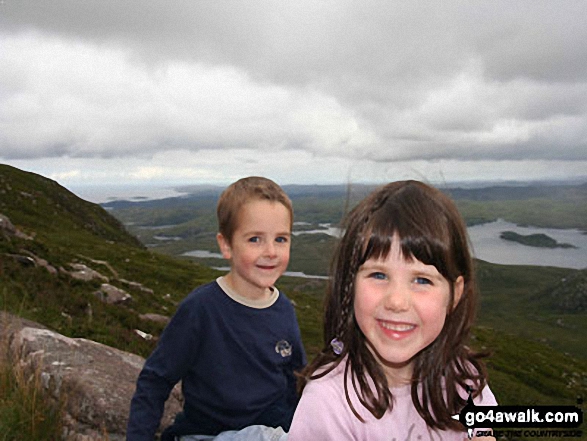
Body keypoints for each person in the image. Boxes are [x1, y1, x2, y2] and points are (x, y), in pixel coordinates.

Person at [288, 180, 497, 441]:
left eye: (422, 280)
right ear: (349, 286)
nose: (397, 301)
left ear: (454, 294)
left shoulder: (466, 380)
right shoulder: (329, 403)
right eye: (378, 274)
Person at [127, 177, 306, 441]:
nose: (271, 251)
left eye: (281, 239)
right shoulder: (201, 309)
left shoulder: (283, 310)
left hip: (274, 430)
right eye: (255, 239)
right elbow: (155, 380)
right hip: (208, 434)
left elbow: (296, 382)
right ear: (226, 245)